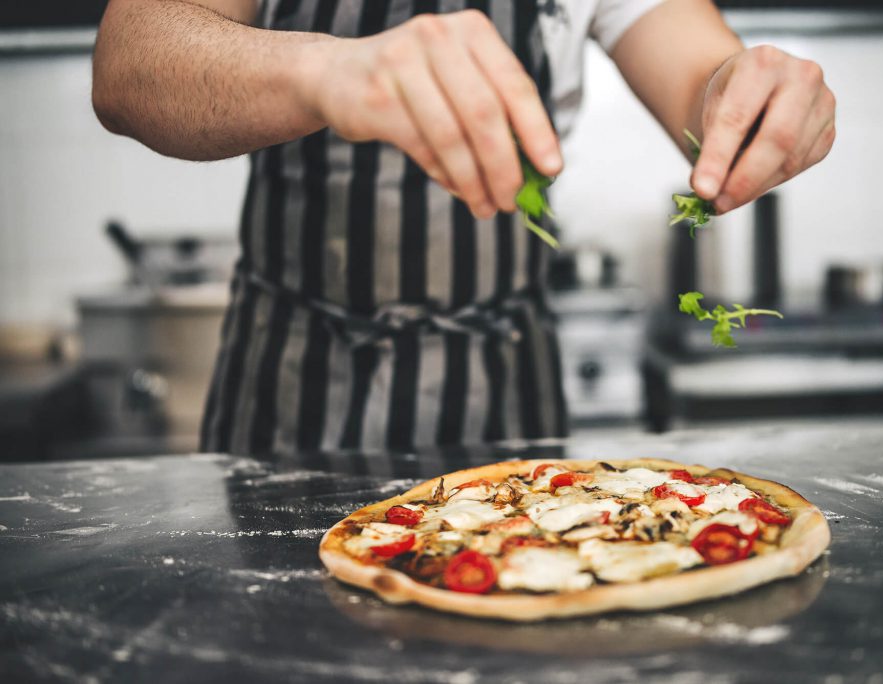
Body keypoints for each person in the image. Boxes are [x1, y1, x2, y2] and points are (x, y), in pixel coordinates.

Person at [92, 0, 835, 455]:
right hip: (289, 388)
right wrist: (325, 72)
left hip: (505, 397)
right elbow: (129, 65)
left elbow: (701, 74)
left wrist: (746, 95)